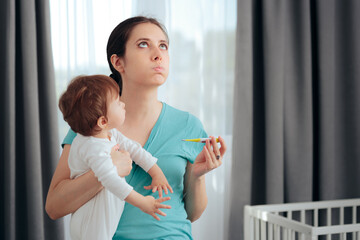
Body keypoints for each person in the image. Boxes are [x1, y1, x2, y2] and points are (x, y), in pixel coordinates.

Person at [46, 16, 227, 240]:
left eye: (163, 46)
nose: (158, 54)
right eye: (143, 44)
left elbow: (192, 214)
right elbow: (54, 208)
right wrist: (104, 171)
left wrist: (198, 177)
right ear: (118, 62)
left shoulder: (188, 125)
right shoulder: (90, 124)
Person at [58, 74, 173, 240]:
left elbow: (134, 149)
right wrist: (143, 203)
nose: (123, 104)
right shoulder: (91, 146)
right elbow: (111, 180)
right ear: (103, 121)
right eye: (118, 103)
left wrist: (156, 173)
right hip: (91, 225)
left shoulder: (109, 134)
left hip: (104, 220)